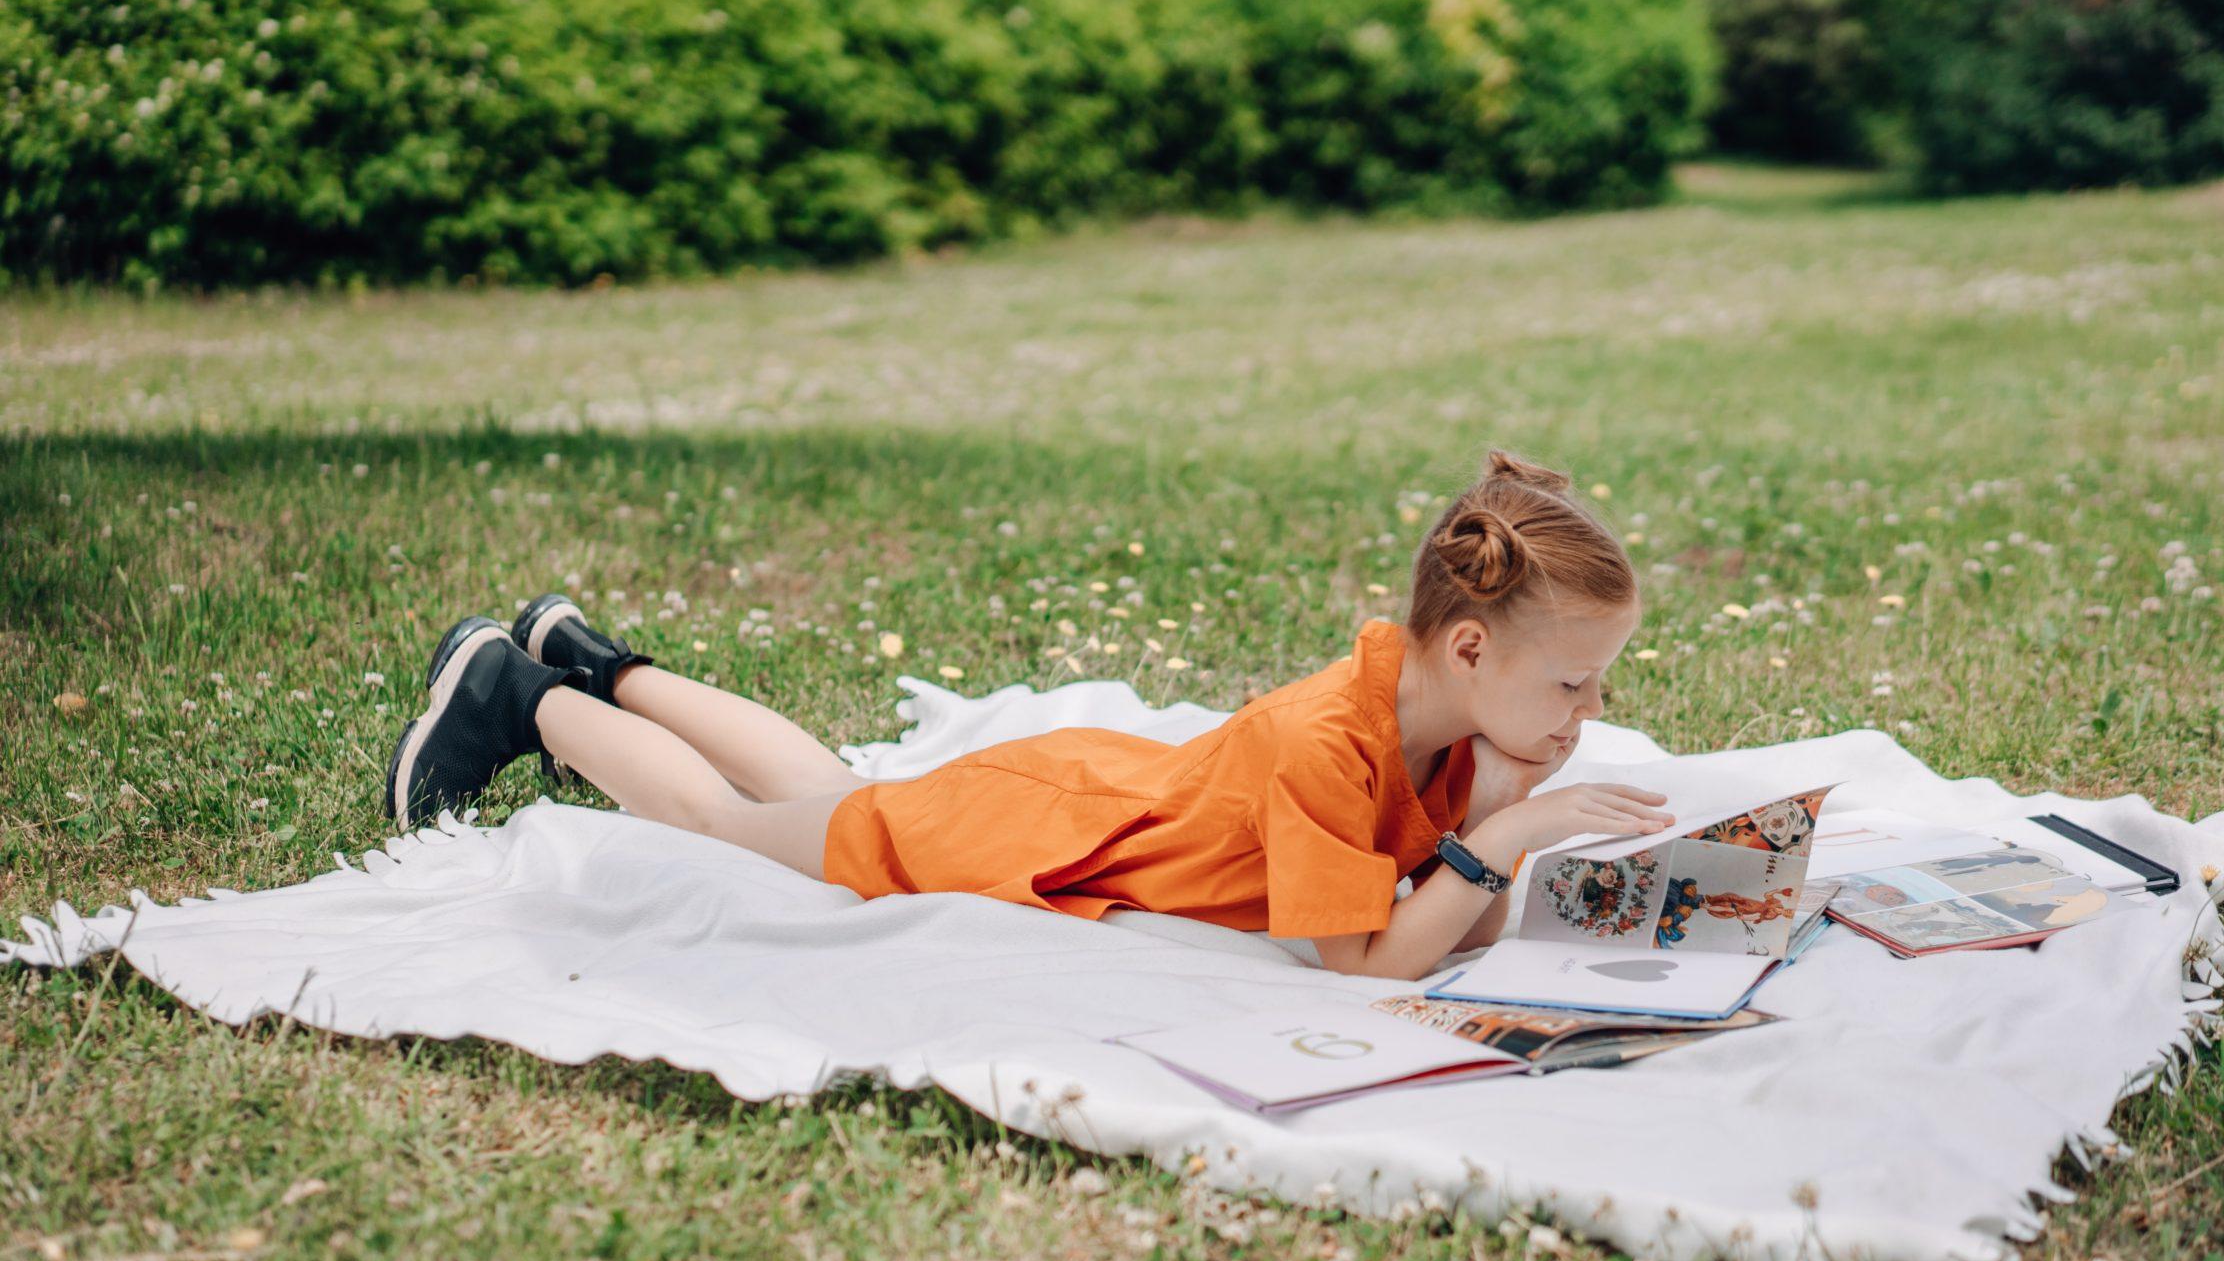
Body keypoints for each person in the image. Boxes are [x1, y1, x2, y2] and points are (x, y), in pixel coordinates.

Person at [381, 449, 1676, 982]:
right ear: (1466, 644)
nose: (1588, 712)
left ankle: (599, 660)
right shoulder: (1326, 743)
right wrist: (1502, 843)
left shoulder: (1449, 729)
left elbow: (1453, 924)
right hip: (1015, 835)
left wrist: (1499, 814)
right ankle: (525, 694)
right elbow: (1371, 967)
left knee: (823, 789)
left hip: (1076, 792)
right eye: (1573, 684)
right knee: (731, 823)